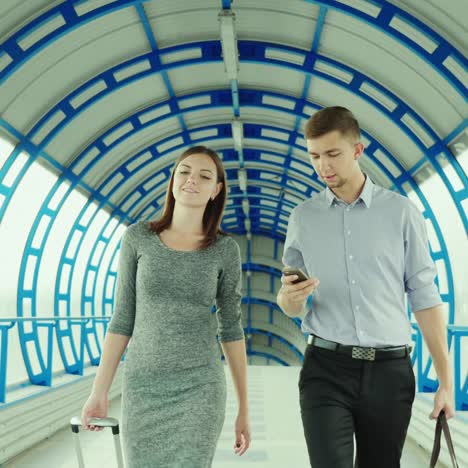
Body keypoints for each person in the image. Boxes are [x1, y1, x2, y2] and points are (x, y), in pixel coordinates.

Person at [276, 106, 454, 468]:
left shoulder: (401, 213)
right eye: (314, 156)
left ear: (357, 151)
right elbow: (296, 302)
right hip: (325, 369)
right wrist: (287, 301)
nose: (323, 166)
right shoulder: (303, 218)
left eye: (332, 154)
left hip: (390, 373)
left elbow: (425, 299)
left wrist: (445, 383)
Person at [80, 145, 251, 467]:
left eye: (204, 176)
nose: (191, 180)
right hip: (143, 386)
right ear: (173, 181)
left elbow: (231, 328)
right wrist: (98, 392)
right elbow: (122, 318)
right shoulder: (137, 238)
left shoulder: (224, 250)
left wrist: (244, 408)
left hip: (200, 387)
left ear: (216, 190)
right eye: (184, 171)